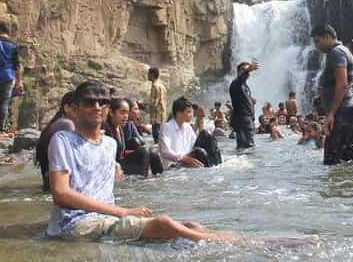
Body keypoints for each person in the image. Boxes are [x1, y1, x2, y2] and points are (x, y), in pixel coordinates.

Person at [46, 81, 238, 242]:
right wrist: (123, 212)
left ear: (107, 108)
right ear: (75, 107)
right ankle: (241, 243)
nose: (97, 107)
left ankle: (230, 239)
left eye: (102, 102)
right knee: (164, 224)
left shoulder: (110, 144)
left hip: (106, 218)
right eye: (89, 102)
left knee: (189, 225)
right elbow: (61, 193)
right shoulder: (63, 140)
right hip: (76, 224)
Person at [311, 24, 353, 165]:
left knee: (332, 161)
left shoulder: (336, 53)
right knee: (347, 159)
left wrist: (331, 113)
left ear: (327, 37)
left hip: (342, 112)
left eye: (317, 41)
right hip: (347, 110)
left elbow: (342, 83)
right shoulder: (342, 50)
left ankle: (338, 187)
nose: (316, 46)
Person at [104, 98, 163, 177]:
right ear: (111, 112)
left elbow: (121, 153)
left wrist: (134, 152)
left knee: (153, 153)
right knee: (143, 151)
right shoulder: (105, 129)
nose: (126, 116)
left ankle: (160, 179)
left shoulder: (119, 127)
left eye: (127, 113)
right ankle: (143, 182)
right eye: (122, 112)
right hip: (112, 167)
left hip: (120, 161)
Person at [159, 97, 221, 168]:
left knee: (206, 135)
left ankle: (218, 165)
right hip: (175, 164)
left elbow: (194, 144)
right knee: (199, 151)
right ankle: (211, 167)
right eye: (188, 112)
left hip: (188, 159)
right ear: (179, 113)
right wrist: (183, 158)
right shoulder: (166, 127)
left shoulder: (187, 127)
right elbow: (165, 152)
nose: (192, 114)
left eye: (191, 111)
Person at [36, 92, 75, 191]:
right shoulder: (67, 124)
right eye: (76, 107)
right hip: (60, 182)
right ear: (66, 108)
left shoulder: (58, 121)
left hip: (51, 179)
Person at [229, 61, 259, 150]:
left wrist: (251, 100)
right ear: (238, 72)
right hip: (243, 119)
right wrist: (249, 69)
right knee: (248, 146)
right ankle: (247, 162)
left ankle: (243, 162)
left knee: (244, 145)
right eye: (244, 70)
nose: (247, 72)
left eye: (247, 70)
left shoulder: (244, 86)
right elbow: (241, 77)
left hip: (247, 119)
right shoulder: (236, 83)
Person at [147, 67, 167, 144]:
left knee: (157, 136)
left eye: (148, 74)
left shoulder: (154, 86)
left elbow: (154, 103)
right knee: (161, 135)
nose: (147, 76)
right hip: (162, 115)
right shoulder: (162, 86)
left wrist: (144, 107)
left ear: (152, 74)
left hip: (156, 116)